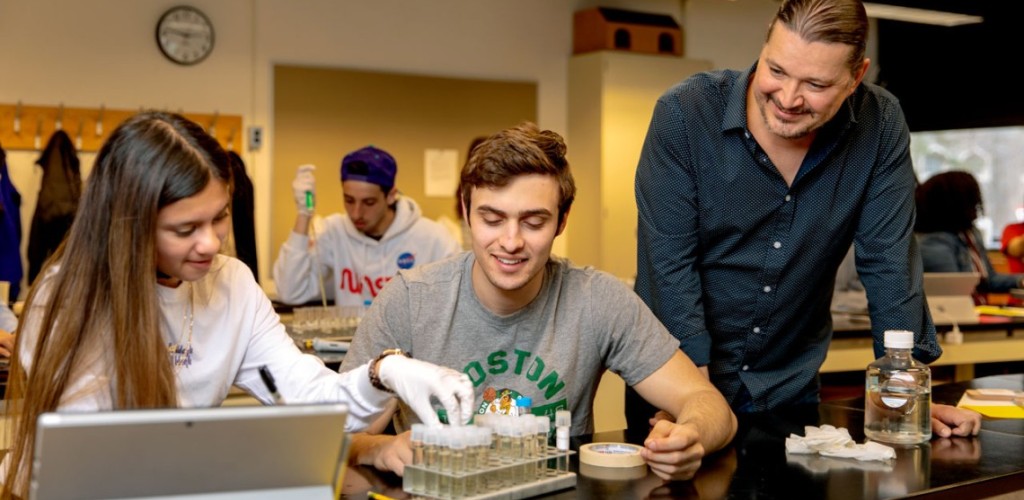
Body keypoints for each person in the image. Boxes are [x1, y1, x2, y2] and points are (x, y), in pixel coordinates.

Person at [0, 112, 475, 496]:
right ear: (129, 224)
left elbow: (309, 398)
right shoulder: (67, 299)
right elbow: (101, 457)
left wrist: (385, 372)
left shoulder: (233, 284)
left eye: (221, 216)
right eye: (185, 230)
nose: (211, 243)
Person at [631, 0, 979, 437]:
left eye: (815, 84)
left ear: (856, 75)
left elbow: (888, 262)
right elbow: (668, 264)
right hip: (677, 380)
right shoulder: (686, 113)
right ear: (766, 42)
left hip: (787, 388)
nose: (788, 99)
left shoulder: (880, 124)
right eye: (775, 71)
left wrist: (906, 392)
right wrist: (694, 404)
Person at [340, 122, 737, 481]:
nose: (510, 242)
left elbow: (709, 404)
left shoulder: (597, 300)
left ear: (562, 221)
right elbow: (330, 435)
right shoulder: (410, 300)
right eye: (492, 219)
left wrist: (690, 436)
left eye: (533, 222)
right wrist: (381, 448)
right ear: (465, 211)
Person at [273, 146, 459, 308]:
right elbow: (290, 293)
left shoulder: (433, 238)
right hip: (352, 345)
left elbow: (458, 303)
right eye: (349, 200)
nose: (356, 213)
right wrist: (304, 215)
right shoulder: (333, 231)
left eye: (369, 202)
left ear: (391, 195)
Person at [915, 170, 1024, 295]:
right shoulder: (932, 243)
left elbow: (989, 280)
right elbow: (954, 292)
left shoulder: (970, 233)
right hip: (959, 311)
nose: (977, 206)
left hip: (979, 309)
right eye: (972, 199)